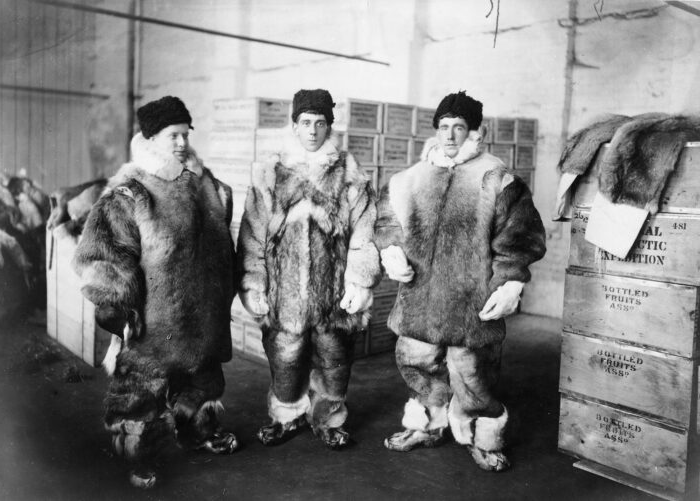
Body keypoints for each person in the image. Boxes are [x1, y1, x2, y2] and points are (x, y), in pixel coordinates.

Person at [375, 90, 546, 471]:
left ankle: (483, 434)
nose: (450, 135)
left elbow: (519, 239)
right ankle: (429, 424)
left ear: (474, 132)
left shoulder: (498, 180)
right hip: (420, 298)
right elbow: (386, 220)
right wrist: (391, 250)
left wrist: (510, 282)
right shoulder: (410, 179)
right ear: (435, 131)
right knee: (416, 360)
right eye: (444, 127)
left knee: (471, 372)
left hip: (472, 302)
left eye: (459, 127)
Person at [73, 96, 238, 488]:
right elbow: (104, 256)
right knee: (142, 391)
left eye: (185, 135)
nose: (181, 143)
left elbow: (221, 244)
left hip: (203, 317)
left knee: (204, 379)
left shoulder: (207, 186)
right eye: (172, 136)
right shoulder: (131, 194)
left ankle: (198, 430)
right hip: (154, 322)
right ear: (149, 138)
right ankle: (137, 454)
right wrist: (118, 308)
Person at [237, 88, 380, 449]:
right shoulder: (271, 172)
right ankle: (286, 417)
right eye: (306, 122)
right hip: (284, 296)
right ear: (294, 125)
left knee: (334, 359)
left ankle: (329, 420)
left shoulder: (349, 172)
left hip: (334, 295)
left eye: (320, 123)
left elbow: (365, 231)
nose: (313, 130)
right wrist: (254, 285)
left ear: (330, 126)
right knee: (285, 358)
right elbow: (252, 234)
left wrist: (359, 281)